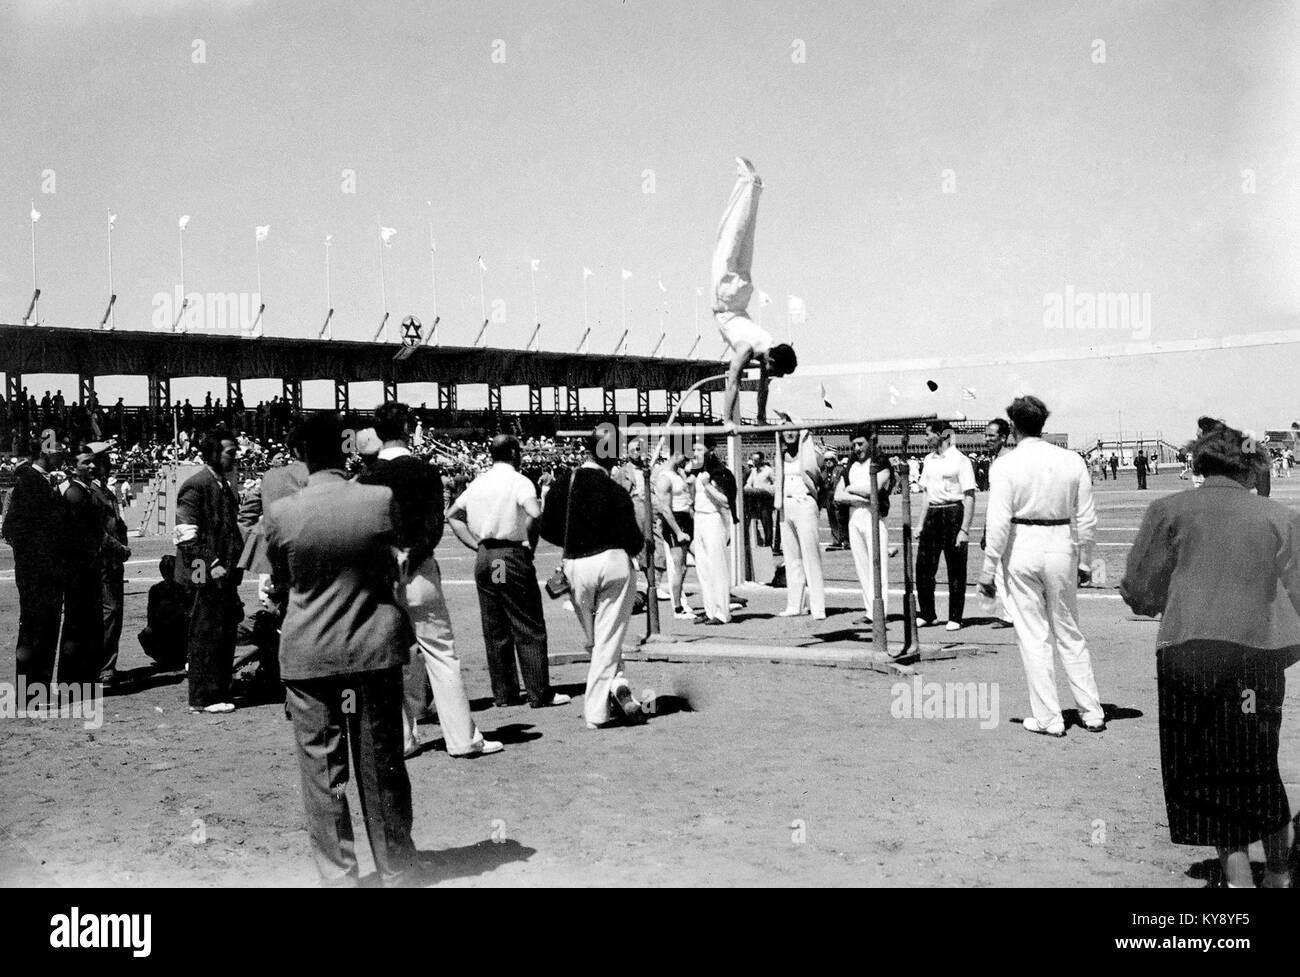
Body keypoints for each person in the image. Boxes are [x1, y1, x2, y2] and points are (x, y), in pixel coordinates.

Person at [1121, 422, 1299, 889]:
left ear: (1199, 463)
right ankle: (1279, 875)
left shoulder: (1168, 510)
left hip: (1188, 654)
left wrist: (1171, 600)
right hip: (1255, 660)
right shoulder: (1279, 516)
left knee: (1208, 770)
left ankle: (1236, 882)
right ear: (1250, 467)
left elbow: (1139, 589)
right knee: (1259, 765)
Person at [264, 412, 419, 887]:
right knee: (382, 766)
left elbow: (282, 583)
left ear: (302, 455)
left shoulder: (283, 513)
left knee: (322, 773)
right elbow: (395, 565)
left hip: (310, 653)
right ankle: (397, 869)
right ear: (346, 448)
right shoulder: (379, 499)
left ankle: (339, 875)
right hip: (372, 647)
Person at [361, 403, 502, 760]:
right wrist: (413, 550)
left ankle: (403, 739)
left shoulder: (366, 477)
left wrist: (391, 553)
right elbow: (434, 524)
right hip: (420, 569)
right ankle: (461, 739)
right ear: (408, 427)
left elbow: (365, 532)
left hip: (381, 576)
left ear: (377, 432)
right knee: (441, 654)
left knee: (390, 658)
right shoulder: (424, 470)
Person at [979, 397, 1104, 737]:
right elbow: (1086, 517)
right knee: (1069, 630)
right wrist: (1087, 559)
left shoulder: (1005, 466)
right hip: (1061, 543)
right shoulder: (1070, 459)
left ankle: (1049, 717)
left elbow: (999, 522)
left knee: (1033, 635)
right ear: (1042, 425)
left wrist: (988, 570)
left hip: (1022, 546)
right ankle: (1091, 711)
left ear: (1013, 428)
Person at [446, 435, 569, 709]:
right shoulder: (519, 481)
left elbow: (453, 514)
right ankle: (539, 691)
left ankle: (505, 693)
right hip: (508, 556)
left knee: (496, 627)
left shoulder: (478, 482)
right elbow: (535, 514)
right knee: (526, 623)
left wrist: (476, 544)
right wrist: (530, 545)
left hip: (487, 556)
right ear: (514, 453)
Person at [539, 434, 648, 729]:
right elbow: (635, 542)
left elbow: (546, 529)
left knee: (597, 637)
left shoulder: (564, 483)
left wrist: (574, 535)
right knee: (608, 638)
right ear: (612, 455)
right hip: (612, 562)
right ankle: (597, 710)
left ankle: (618, 683)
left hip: (576, 564)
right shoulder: (615, 490)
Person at [711, 157, 797, 424]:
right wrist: (726, 420)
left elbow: (763, 389)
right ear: (771, 360)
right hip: (724, 297)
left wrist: (761, 416)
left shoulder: (766, 343)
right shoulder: (748, 348)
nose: (772, 376)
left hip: (741, 295)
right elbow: (732, 382)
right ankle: (747, 184)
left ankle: (754, 188)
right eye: (775, 371)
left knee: (745, 238)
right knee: (729, 234)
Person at [174, 428, 245, 714]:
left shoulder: (223, 484)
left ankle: (218, 689)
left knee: (223, 630)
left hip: (224, 573)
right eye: (230, 452)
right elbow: (186, 535)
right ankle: (203, 697)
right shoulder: (197, 485)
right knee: (205, 631)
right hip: (204, 573)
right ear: (214, 453)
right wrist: (211, 565)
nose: (235, 457)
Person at [2, 437, 67, 687]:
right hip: (37, 573)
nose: (62, 456)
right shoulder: (30, 482)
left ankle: (37, 686)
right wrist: (37, 559)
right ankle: (30, 689)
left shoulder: (39, 481)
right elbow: (13, 529)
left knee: (44, 627)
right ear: (45, 453)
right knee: (36, 629)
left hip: (42, 570)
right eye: (58, 451)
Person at [916, 420, 977, 631]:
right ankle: (927, 613)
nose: (925, 438)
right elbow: (925, 494)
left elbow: (969, 495)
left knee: (956, 568)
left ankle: (955, 617)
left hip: (953, 512)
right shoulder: (928, 460)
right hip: (933, 513)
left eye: (928, 434)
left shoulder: (960, 460)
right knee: (924, 567)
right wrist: (920, 524)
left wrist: (964, 529)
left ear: (941, 435)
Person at [57, 447, 107, 686]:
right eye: (86, 462)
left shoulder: (85, 491)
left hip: (88, 566)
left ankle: (81, 677)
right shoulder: (76, 494)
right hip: (80, 569)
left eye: (93, 462)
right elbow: (81, 534)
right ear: (72, 466)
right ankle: (73, 679)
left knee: (86, 623)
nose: (92, 466)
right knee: (78, 623)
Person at [835, 426, 894, 624]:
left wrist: (851, 490)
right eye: (853, 445)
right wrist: (859, 496)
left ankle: (880, 610)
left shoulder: (880, 462)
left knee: (877, 565)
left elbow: (874, 488)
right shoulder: (851, 464)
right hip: (855, 516)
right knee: (861, 565)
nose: (857, 448)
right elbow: (838, 495)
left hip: (873, 516)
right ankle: (869, 610)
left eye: (860, 443)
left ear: (870, 441)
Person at [88, 442, 131, 687]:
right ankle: (103, 668)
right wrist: (120, 548)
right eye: (105, 460)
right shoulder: (93, 493)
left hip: (113, 561)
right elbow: (97, 531)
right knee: (109, 612)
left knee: (113, 612)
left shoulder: (106, 491)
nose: (110, 463)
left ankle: (107, 666)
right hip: (104, 560)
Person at [774, 423, 825, 619]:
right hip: (786, 507)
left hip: (805, 503)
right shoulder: (780, 455)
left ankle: (818, 606)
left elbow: (818, 476)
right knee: (792, 558)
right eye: (785, 430)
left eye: (793, 429)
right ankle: (795, 604)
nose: (789, 433)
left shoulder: (810, 454)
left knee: (810, 556)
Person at [690, 439, 737, 625]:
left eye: (699, 449)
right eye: (694, 449)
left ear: (710, 451)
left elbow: (726, 501)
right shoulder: (698, 471)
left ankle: (723, 612)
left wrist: (708, 486)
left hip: (713, 519)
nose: (695, 453)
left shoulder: (720, 472)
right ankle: (709, 610)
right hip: (699, 519)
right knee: (703, 568)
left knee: (717, 568)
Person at [978, 419, 1015, 628]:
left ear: (1003, 437)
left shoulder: (1009, 460)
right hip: (997, 522)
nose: (987, 439)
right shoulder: (995, 461)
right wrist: (986, 530)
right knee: (1001, 572)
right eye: (986, 435)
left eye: (991, 436)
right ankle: (1009, 613)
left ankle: (1013, 614)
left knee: (1009, 570)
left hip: (1010, 523)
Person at [654, 452, 696, 621]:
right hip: (675, 522)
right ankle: (678, 608)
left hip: (687, 518)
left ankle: (716, 601)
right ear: (676, 454)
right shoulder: (664, 477)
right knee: (680, 567)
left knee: (702, 558)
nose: (687, 460)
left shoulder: (679, 473)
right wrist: (678, 531)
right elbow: (665, 508)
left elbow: (687, 497)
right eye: (684, 456)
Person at [139, 555, 189, 669]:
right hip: (179, 636)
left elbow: (150, 618)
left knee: (146, 634)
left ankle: (165, 659)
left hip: (164, 634)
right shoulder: (183, 589)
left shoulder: (155, 589)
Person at [743, 452, 775, 548]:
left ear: (761, 460)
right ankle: (757, 543)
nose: (754, 462)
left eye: (756, 460)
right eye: (753, 460)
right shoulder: (753, 471)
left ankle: (768, 545)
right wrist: (749, 488)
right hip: (755, 499)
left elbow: (775, 484)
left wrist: (765, 489)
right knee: (753, 522)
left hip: (765, 500)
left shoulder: (768, 471)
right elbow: (748, 483)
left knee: (767, 524)